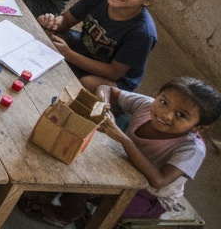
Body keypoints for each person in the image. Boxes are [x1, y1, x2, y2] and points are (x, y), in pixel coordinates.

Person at [24, 77, 219, 224]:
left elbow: (158, 181)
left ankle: (66, 215)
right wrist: (105, 107)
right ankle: (62, 197)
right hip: (125, 163)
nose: (165, 114)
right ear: (158, 95)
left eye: (181, 115)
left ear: (199, 128)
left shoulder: (192, 149)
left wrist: (123, 139)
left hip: (150, 195)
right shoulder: (147, 105)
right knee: (78, 160)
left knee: (90, 188)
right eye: (164, 102)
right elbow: (106, 89)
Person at [38, 0, 164, 93]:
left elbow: (113, 72)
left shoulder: (142, 33)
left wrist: (69, 54)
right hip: (85, 48)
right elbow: (66, 20)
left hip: (114, 78)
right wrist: (53, 22)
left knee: (88, 84)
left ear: (149, 0)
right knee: (47, 34)